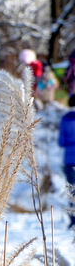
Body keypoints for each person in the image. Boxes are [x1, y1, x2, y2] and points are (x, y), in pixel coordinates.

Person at [58, 94, 75, 228]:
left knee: (72, 191)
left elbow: (61, 142)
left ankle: (72, 220)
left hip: (69, 159)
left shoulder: (65, 118)